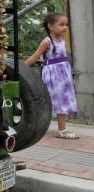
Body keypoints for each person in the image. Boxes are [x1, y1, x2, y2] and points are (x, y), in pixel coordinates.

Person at [25, 12, 79, 140]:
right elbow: (35, 57)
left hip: (63, 75)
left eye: (66, 24)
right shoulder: (47, 42)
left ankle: (61, 129)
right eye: (61, 24)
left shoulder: (62, 41)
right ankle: (61, 130)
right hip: (53, 76)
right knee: (56, 101)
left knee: (63, 101)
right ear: (50, 26)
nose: (64, 27)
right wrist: (21, 69)